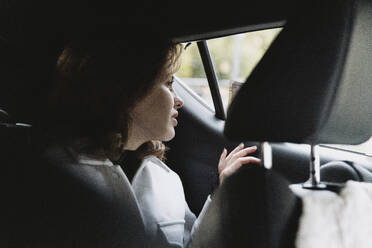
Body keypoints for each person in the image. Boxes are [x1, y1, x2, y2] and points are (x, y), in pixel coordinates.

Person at [41, 35, 261, 247]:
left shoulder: (165, 179)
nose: (179, 100)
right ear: (128, 92)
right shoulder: (55, 177)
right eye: (168, 83)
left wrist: (219, 194)